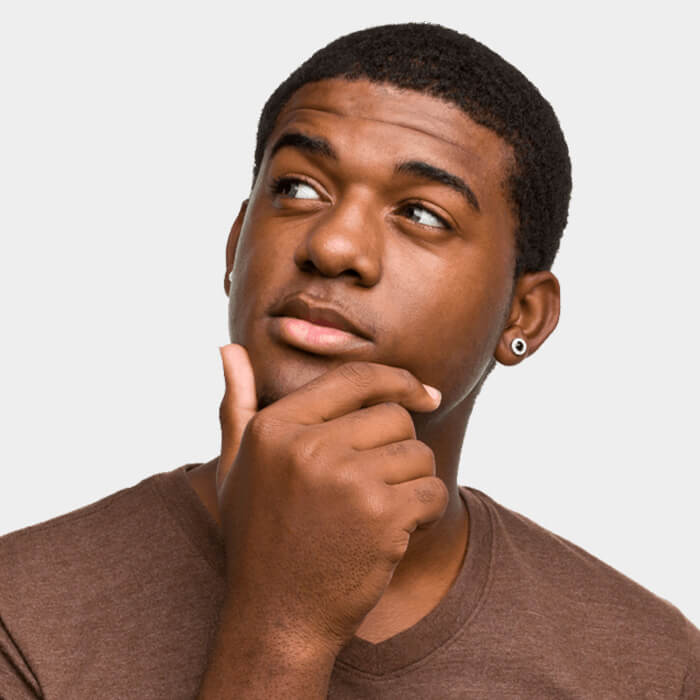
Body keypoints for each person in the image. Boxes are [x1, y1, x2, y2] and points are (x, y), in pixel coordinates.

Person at [1, 21, 697, 699]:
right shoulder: (20, 618)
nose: (333, 246)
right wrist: (284, 627)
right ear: (235, 245)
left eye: (421, 214)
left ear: (524, 315)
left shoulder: (654, 669)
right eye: (299, 189)